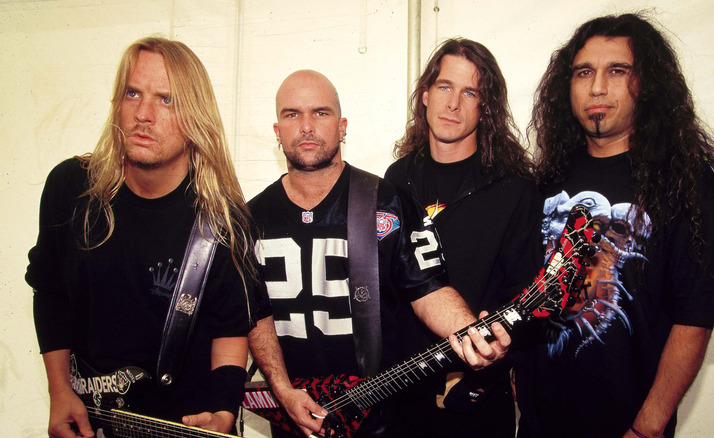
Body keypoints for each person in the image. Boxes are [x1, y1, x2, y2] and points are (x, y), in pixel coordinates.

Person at [514, 13, 714, 438]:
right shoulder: (545, 180)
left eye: (617, 71)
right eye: (584, 72)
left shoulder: (685, 182)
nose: (597, 87)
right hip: (540, 424)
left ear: (646, 83)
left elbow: (695, 317)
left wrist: (648, 427)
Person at [246, 69, 512, 438]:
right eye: (292, 114)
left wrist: (472, 336)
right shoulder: (250, 219)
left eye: (320, 113)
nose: (306, 126)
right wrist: (282, 390)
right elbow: (255, 316)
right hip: (295, 417)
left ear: (342, 127)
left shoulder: (386, 200)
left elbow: (428, 290)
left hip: (385, 421)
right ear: (277, 131)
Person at [27, 37, 270, 437]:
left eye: (166, 100)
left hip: (179, 426)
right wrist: (59, 391)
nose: (143, 114)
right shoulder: (70, 187)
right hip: (90, 421)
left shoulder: (223, 220)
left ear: (196, 116)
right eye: (133, 93)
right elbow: (50, 291)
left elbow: (229, 330)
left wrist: (223, 412)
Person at [384, 38, 542, 438]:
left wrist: (482, 373)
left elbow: (526, 300)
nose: (453, 103)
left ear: (485, 108)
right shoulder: (396, 179)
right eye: (444, 86)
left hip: (476, 400)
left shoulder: (514, 188)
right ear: (425, 95)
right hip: (401, 395)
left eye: (470, 92)